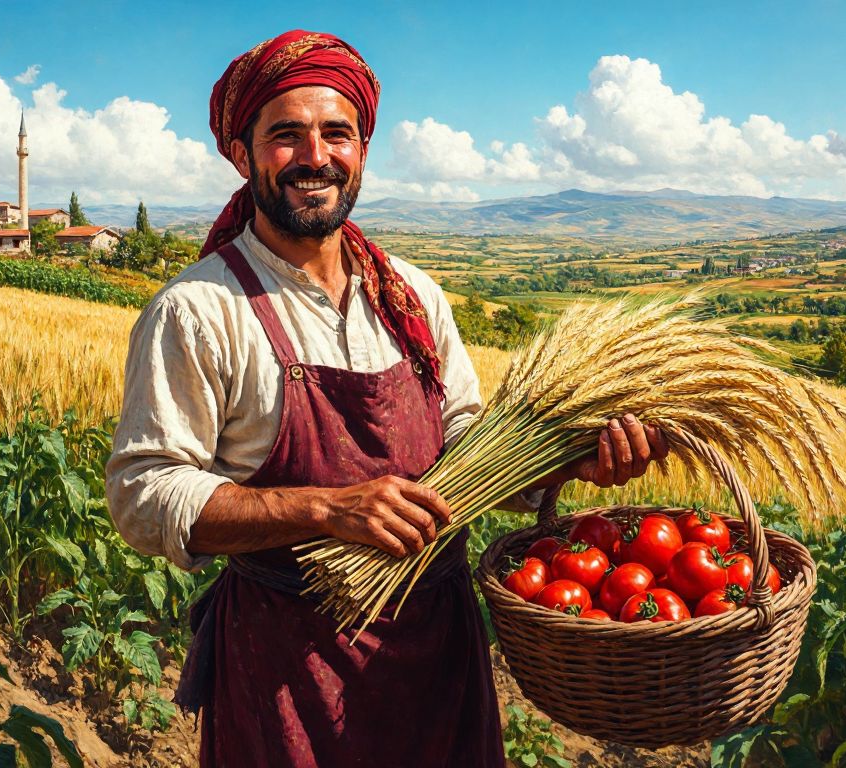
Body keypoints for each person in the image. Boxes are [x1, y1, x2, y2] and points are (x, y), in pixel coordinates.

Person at [106, 29, 669, 767]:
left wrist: (566, 465)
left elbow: (467, 441)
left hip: (438, 656)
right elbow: (145, 494)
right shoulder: (199, 310)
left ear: (362, 150)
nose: (315, 156)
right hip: (288, 674)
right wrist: (326, 509)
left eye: (337, 133)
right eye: (286, 136)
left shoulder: (412, 296)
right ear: (242, 156)